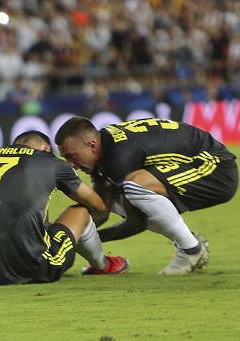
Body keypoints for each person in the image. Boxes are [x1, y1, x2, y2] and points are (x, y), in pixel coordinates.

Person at [55, 116, 238, 274]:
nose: (70, 164)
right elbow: (100, 208)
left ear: (91, 146)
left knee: (135, 187)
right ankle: (189, 242)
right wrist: (66, 236)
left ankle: (191, 250)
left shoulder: (119, 157)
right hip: (195, 165)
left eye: (72, 156)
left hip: (216, 169)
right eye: (65, 159)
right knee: (130, 195)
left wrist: (91, 240)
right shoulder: (105, 149)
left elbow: (137, 222)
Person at [0, 131, 129, 285]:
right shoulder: (49, 161)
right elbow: (97, 205)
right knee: (81, 210)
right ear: (47, 148)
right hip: (29, 267)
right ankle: (102, 265)